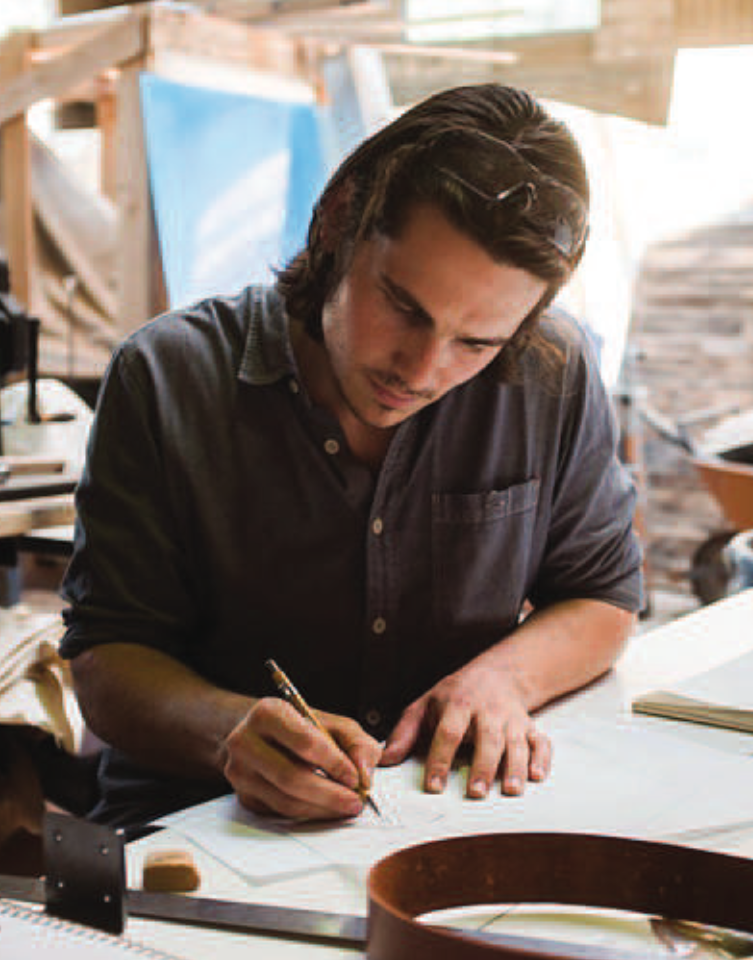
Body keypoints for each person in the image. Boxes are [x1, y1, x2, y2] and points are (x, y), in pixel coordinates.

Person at [59, 82, 644, 832]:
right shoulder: (168, 377)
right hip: (202, 824)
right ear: (339, 219)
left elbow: (603, 596)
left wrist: (504, 679)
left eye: (476, 342)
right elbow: (107, 658)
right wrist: (229, 734)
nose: (423, 369)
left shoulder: (550, 372)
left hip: (441, 814)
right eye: (404, 307)